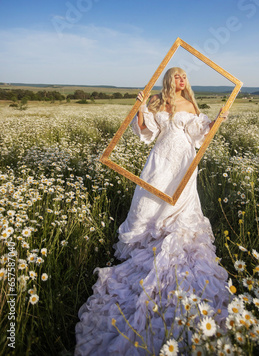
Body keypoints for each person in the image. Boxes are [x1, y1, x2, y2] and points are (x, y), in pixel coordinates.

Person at [75, 67, 230, 355]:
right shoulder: (158, 101)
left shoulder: (191, 104)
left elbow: (199, 134)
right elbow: (148, 131)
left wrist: (217, 120)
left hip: (184, 162)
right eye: (177, 76)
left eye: (185, 76)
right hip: (160, 158)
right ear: (169, 79)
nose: (182, 80)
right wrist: (139, 109)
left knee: (180, 205)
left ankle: (172, 237)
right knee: (149, 199)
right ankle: (145, 242)